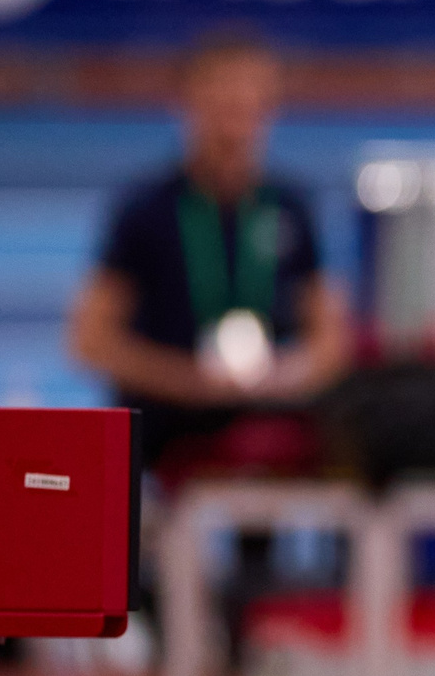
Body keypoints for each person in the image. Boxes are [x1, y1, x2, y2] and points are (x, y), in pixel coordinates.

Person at [67, 28, 350, 477]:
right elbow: (90, 340)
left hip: (268, 409)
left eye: (248, 100)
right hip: (168, 419)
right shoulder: (146, 210)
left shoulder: (291, 206)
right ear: (189, 103)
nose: (235, 116)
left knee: (340, 438)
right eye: (222, 100)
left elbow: (331, 341)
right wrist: (187, 381)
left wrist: (285, 376)